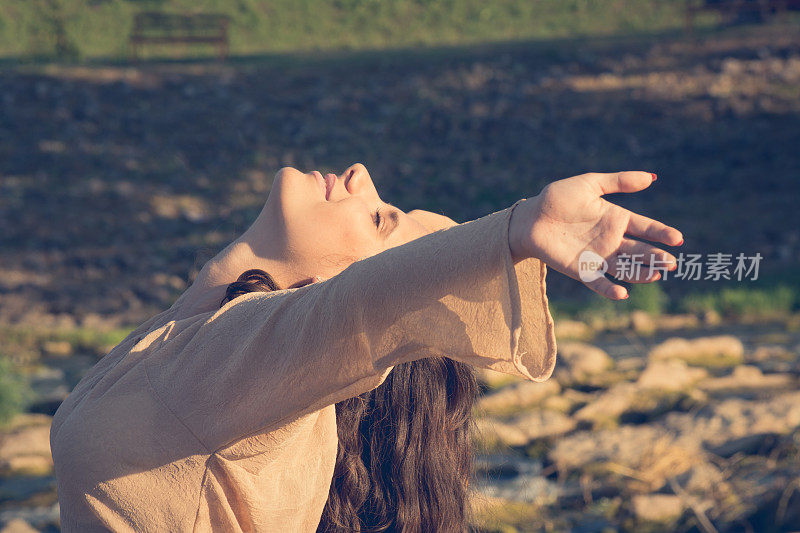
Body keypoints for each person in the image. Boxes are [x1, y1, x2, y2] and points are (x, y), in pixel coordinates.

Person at [50, 163, 682, 532]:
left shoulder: (237, 369)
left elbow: (357, 309)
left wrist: (518, 231)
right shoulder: (202, 345)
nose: (360, 174)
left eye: (379, 218)